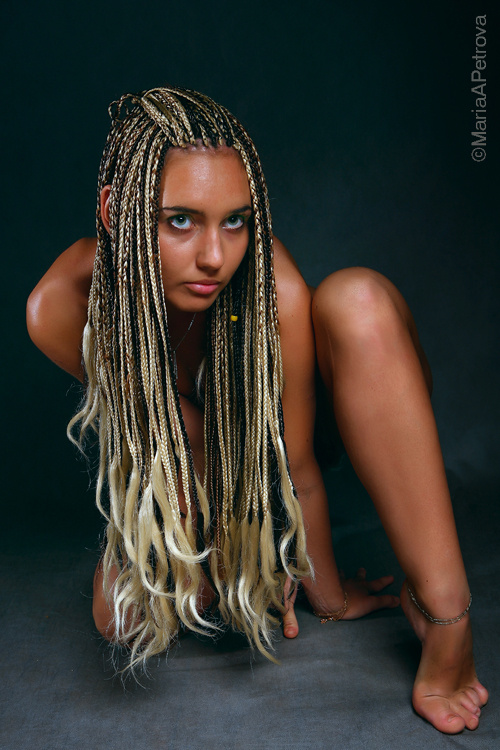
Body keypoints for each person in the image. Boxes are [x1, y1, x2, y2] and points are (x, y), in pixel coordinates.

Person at [26, 86, 487, 734]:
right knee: (124, 619)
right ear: (113, 211)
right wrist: (209, 543)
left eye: (236, 221)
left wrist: (329, 595)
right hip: (218, 451)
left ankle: (447, 620)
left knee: (357, 302)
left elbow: (299, 466)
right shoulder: (61, 307)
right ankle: (231, 550)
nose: (214, 256)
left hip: (338, 420)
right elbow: (164, 436)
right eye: (180, 221)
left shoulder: (275, 289)